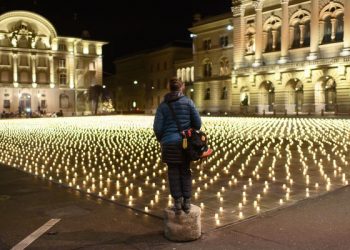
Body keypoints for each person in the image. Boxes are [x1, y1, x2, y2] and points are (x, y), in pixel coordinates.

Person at [153, 77, 201, 215]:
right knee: (185, 170)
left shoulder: (162, 106)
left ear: (169, 87)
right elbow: (197, 124)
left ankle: (177, 203)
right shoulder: (188, 102)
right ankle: (187, 202)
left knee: (173, 172)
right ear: (182, 87)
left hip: (169, 144)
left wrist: (163, 139)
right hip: (184, 144)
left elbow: (157, 128)